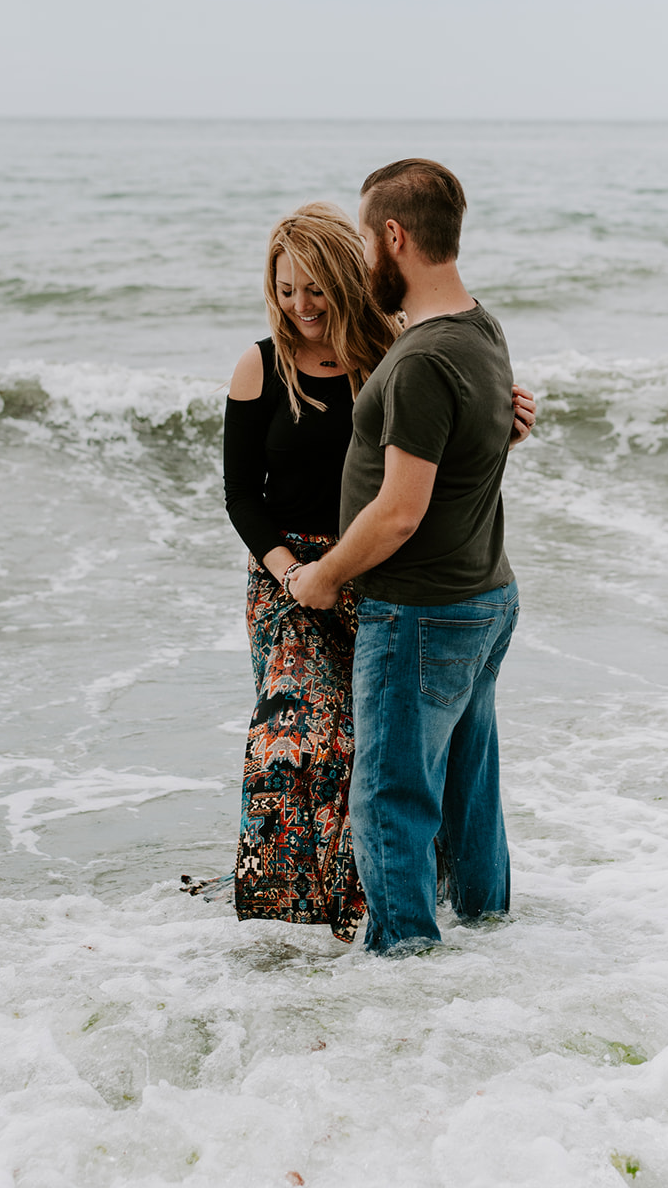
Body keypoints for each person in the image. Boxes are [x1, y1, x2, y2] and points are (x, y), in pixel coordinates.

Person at [291, 159, 530, 956]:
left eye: (363, 239)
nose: (362, 258)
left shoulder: (424, 358)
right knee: (468, 789)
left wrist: (321, 576)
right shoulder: (479, 328)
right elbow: (472, 440)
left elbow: (396, 513)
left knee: (391, 797)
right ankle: (489, 935)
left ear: (392, 236)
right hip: (483, 597)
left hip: (422, 608)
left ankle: (403, 967)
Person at [222, 202, 399, 941]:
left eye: (314, 289)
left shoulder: (391, 356)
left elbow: (428, 467)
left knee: (372, 745)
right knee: (292, 739)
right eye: (286, 289)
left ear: (343, 280)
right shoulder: (259, 365)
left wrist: (505, 425)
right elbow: (240, 496)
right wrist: (293, 573)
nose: (299, 305)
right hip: (285, 574)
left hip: (380, 567)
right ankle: (278, 924)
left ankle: (358, 910)